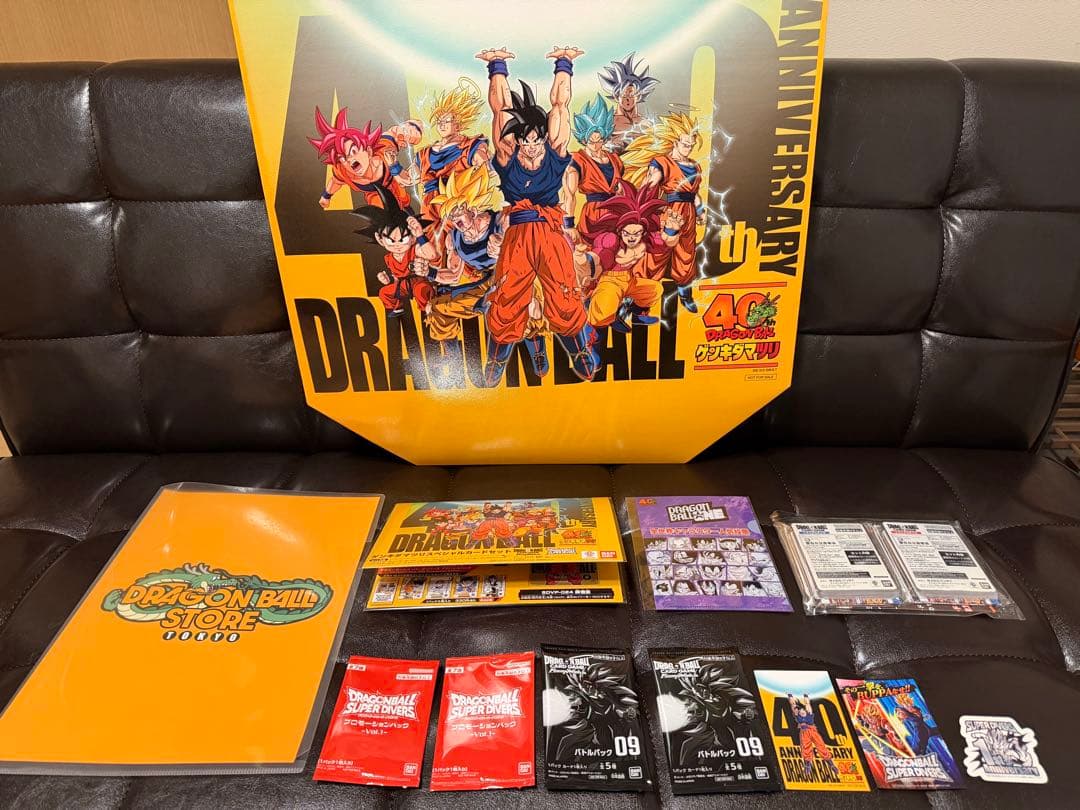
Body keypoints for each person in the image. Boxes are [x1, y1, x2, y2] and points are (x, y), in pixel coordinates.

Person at [476, 45, 598, 384]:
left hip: (549, 232)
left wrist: (564, 64)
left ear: (544, 139)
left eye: (536, 140)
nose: (530, 147)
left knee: (564, 292)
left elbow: (560, 106)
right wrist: (497, 66)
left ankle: (578, 351)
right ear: (517, 141)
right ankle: (497, 358)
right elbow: (500, 109)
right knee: (508, 296)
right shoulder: (507, 156)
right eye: (525, 141)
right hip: (518, 236)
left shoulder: (555, 153)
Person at [426, 166, 549, 376]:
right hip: (485, 286)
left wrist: (506, 247)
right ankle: (453, 360)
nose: (455, 219)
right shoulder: (454, 238)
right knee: (438, 309)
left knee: (530, 308)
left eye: (458, 211)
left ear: (473, 209)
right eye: (451, 214)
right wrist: (429, 272)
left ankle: (537, 349)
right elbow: (454, 275)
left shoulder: (502, 220)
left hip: (516, 277)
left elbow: (533, 245)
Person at [623, 113, 707, 312]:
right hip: (669, 214)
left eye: (691, 144)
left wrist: (700, 211)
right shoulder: (662, 162)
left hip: (689, 215)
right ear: (675, 142)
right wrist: (641, 206)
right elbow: (648, 187)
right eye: (685, 144)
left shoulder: (695, 165)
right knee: (656, 254)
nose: (688, 148)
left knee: (686, 254)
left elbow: (694, 194)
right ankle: (635, 297)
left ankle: (685, 295)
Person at [573, 185, 683, 332]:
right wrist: (585, 260)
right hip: (610, 281)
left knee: (654, 289)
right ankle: (595, 324)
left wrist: (671, 230)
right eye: (627, 233)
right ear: (620, 230)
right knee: (601, 315)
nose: (632, 238)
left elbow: (665, 243)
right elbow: (599, 257)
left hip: (630, 280)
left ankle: (637, 314)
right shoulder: (610, 239)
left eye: (636, 233)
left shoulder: (645, 239)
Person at [309, 107, 422, 210]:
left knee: (403, 201)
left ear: (368, 151)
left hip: (393, 185)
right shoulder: (343, 170)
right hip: (374, 194)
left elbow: (395, 132)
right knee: (380, 213)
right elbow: (336, 181)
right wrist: (326, 196)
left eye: (353, 151)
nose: (349, 160)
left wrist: (412, 128)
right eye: (342, 158)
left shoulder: (385, 150)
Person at [352, 186, 437, 316]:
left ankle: (429, 311)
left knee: (421, 290)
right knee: (384, 292)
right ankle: (397, 308)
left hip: (418, 282)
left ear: (412, 238)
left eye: (403, 239)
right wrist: (388, 280)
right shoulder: (389, 258)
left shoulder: (415, 249)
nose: (397, 245)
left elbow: (432, 254)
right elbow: (396, 277)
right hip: (402, 286)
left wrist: (420, 236)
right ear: (379, 239)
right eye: (391, 240)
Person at [415, 79, 491, 221]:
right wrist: (393, 166)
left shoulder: (469, 146)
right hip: (429, 209)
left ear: (458, 125)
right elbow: (409, 178)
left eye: (446, 121)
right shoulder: (424, 153)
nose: (441, 125)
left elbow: (487, 168)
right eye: (439, 121)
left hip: (457, 208)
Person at [560, 94, 626, 243]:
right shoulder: (576, 160)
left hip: (616, 216)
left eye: (600, 140)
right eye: (591, 141)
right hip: (593, 217)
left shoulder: (615, 159)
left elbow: (622, 190)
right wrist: (568, 224)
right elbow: (569, 194)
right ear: (584, 140)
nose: (596, 146)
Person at [597, 53, 660, 149]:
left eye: (631, 95)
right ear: (616, 97)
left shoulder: (645, 122)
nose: (627, 99)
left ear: (638, 97)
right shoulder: (608, 121)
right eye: (624, 95)